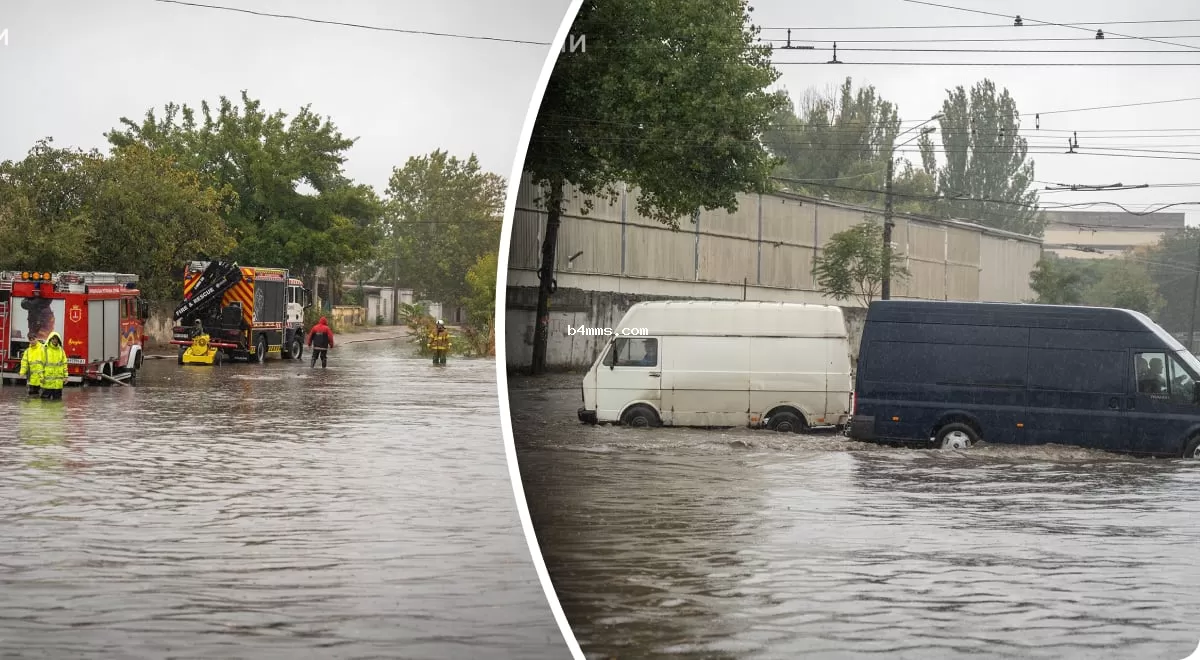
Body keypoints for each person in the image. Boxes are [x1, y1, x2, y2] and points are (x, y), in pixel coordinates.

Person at [39, 332, 68, 401]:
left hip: (58, 384)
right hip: (47, 383)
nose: (55, 341)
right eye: (53, 339)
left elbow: (64, 364)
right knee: (45, 402)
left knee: (57, 403)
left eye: (56, 339)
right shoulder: (45, 350)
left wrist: (66, 376)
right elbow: (40, 365)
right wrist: (41, 377)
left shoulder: (61, 350)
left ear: (59, 340)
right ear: (50, 339)